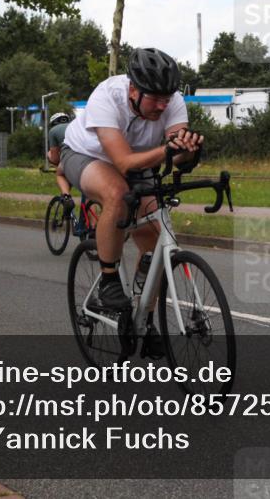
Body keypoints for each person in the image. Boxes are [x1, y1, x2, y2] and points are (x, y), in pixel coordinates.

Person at [60, 48, 203, 357]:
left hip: (140, 161)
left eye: (168, 99)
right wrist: (170, 149)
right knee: (116, 194)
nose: (163, 106)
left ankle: (145, 320)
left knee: (158, 238)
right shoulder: (106, 96)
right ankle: (109, 281)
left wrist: (189, 149)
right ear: (133, 90)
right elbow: (124, 162)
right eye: (156, 99)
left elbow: (176, 151)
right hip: (86, 156)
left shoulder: (170, 100)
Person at [47, 111, 75, 214]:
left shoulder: (53, 131)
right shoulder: (77, 126)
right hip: (89, 159)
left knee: (60, 174)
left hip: (70, 158)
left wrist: (49, 156)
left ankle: (67, 198)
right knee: (88, 195)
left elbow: (55, 159)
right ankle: (93, 226)